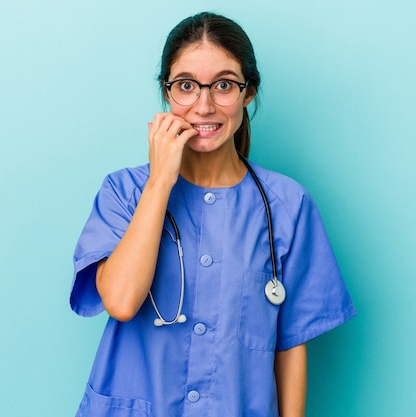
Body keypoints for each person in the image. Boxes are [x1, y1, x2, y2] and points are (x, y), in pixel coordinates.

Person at [70, 11, 355, 417]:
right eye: (186, 86)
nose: (204, 106)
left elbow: (291, 344)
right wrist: (159, 183)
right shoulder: (124, 192)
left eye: (223, 85)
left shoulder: (287, 205)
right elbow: (120, 301)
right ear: (167, 93)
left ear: (248, 92)